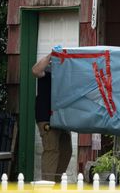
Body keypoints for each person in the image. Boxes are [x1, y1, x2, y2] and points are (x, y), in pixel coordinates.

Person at [32, 53, 72, 181]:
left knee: (66, 150)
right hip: (46, 116)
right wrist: (51, 55)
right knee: (51, 149)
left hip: (62, 117)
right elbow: (35, 70)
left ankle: (56, 182)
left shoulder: (66, 74)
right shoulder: (47, 70)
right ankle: (47, 185)